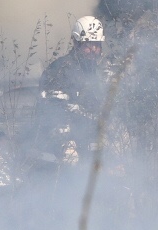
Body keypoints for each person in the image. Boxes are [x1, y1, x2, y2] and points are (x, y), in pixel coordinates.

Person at [38, 15, 111, 163]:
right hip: (59, 153)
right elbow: (52, 112)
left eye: (97, 45)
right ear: (76, 44)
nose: (93, 50)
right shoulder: (59, 70)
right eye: (88, 45)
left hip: (89, 148)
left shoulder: (97, 73)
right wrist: (66, 144)